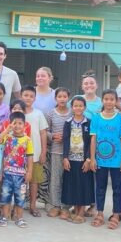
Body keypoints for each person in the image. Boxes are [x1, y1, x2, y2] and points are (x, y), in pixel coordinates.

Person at [89, 89, 121, 230]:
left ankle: (116, 214)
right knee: (100, 187)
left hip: (117, 161)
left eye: (112, 99)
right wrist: (92, 158)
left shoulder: (120, 119)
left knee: (117, 188)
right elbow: (93, 138)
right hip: (100, 160)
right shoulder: (96, 117)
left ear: (116, 101)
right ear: (102, 101)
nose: (109, 102)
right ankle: (99, 213)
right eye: (106, 99)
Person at [61, 96, 94, 224]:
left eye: (81, 106)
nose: (78, 108)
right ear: (72, 107)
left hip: (84, 160)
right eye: (76, 106)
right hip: (71, 159)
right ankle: (75, 210)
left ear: (84, 108)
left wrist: (88, 159)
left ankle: (81, 212)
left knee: (84, 185)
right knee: (73, 185)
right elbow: (65, 141)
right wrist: (65, 157)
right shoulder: (68, 122)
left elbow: (91, 141)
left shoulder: (89, 122)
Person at [0, 111, 34, 228]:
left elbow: (30, 157)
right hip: (7, 173)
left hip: (21, 175)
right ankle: (4, 217)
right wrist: (7, 130)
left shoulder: (27, 140)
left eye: (20, 123)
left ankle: (19, 218)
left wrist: (29, 172)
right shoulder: (7, 137)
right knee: (6, 196)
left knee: (20, 197)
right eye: (15, 123)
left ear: (25, 125)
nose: (17, 126)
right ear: (10, 124)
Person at [20, 86, 48, 217]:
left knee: (34, 181)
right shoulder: (17, 113)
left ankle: (33, 205)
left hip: (35, 154)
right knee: (18, 180)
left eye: (31, 96)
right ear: (21, 96)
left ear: (35, 98)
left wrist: (43, 152)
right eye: (26, 95)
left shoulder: (38, 114)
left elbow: (43, 133)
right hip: (18, 155)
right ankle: (18, 206)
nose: (28, 98)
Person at [46, 87, 72, 218]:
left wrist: (68, 137)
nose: (62, 99)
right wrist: (53, 136)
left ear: (68, 98)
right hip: (56, 151)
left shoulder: (73, 113)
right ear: (55, 98)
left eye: (64, 96)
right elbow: (46, 131)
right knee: (55, 178)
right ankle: (55, 205)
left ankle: (66, 207)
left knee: (67, 179)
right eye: (59, 97)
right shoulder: (51, 113)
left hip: (71, 153)